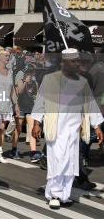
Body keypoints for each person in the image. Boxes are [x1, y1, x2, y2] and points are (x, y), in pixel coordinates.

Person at [31, 48, 104, 210]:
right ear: (64, 63)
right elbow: (40, 100)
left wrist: (97, 126)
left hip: (74, 130)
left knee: (70, 164)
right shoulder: (50, 79)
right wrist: (36, 123)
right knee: (58, 161)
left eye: (78, 61)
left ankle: (64, 195)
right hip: (55, 129)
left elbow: (90, 104)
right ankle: (55, 194)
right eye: (74, 61)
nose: (78, 64)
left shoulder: (82, 82)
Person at [10, 66, 41, 161]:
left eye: (32, 73)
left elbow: (36, 96)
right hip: (20, 107)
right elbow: (18, 92)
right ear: (25, 73)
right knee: (18, 129)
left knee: (32, 129)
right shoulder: (20, 81)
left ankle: (33, 152)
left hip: (31, 108)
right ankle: (14, 149)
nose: (31, 75)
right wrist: (24, 82)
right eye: (29, 73)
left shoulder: (35, 83)